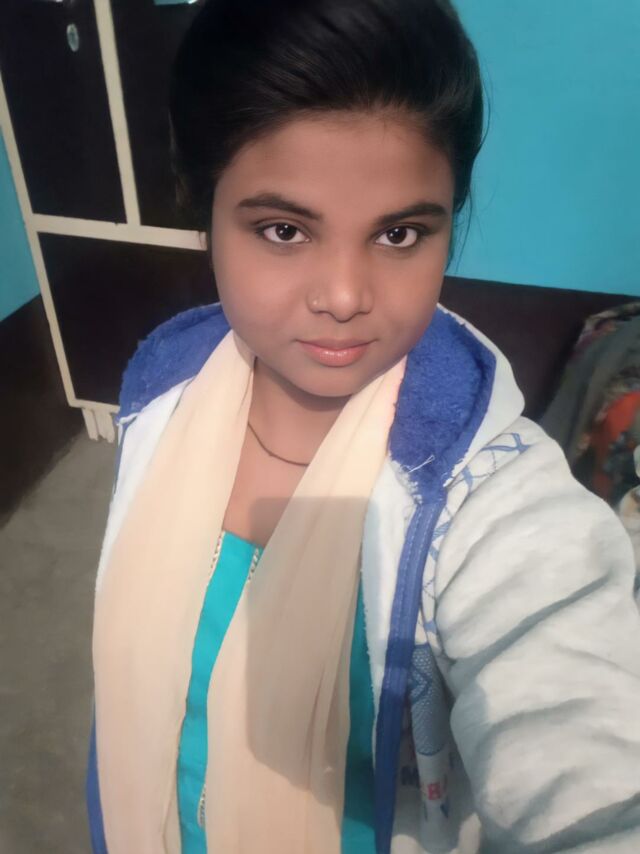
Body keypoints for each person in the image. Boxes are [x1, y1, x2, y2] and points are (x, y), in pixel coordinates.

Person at [85, 1, 640, 852]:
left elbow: (583, 741)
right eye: (283, 230)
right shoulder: (164, 391)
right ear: (203, 210)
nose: (344, 297)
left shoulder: (489, 502)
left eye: (399, 233)